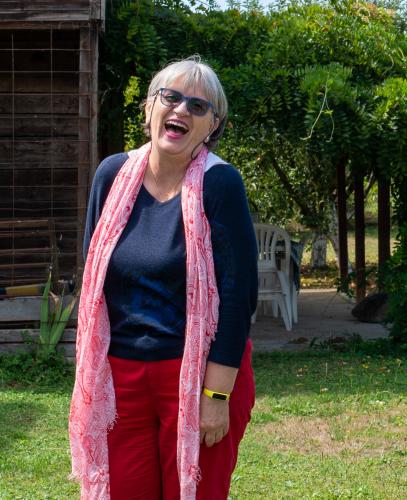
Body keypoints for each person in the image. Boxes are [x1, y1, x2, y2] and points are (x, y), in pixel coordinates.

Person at [69, 56, 258, 500]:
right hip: (120, 378)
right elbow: (94, 274)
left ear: (213, 125)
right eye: (170, 97)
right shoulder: (112, 176)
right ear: (149, 108)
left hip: (197, 377)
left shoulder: (221, 184)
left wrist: (215, 396)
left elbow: (237, 297)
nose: (180, 111)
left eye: (197, 106)